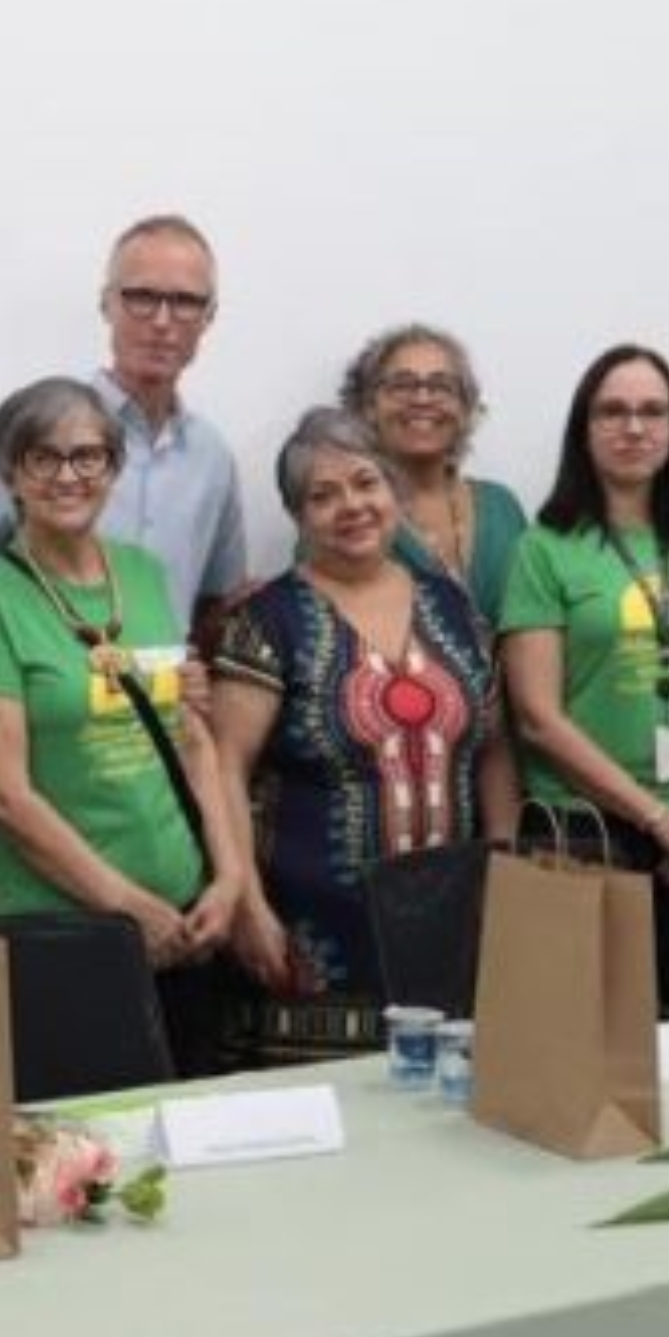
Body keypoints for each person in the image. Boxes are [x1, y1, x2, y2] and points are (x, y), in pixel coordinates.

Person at [0, 376, 243, 1074]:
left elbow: (191, 737)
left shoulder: (144, 575)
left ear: (113, 468)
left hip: (188, 920)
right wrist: (124, 906)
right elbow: (1, 793)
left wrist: (229, 876)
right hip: (68, 933)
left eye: (88, 457)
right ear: (8, 474)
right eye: (43, 458)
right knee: (91, 1155)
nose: (68, 476)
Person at [212, 407, 515, 1013]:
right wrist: (247, 902)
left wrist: (504, 867)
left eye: (366, 483)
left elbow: (495, 747)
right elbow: (225, 769)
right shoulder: (268, 620)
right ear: (299, 516)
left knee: (444, 1098)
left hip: (454, 916)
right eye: (323, 495)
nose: (351, 506)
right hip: (313, 928)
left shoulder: (451, 605)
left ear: (393, 492)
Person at [500, 343, 669, 871]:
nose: (634, 428)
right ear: (584, 430)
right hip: (590, 831)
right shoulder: (543, 548)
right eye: (613, 411)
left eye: (653, 412)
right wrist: (658, 819)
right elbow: (537, 719)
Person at [0, 213, 246, 639]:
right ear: (107, 304)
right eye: (141, 296)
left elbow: (217, 603)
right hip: (44, 692)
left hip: (157, 698)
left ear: (209, 316)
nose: (161, 320)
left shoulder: (212, 459)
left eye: (185, 301)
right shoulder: (36, 426)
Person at [338, 323, 527, 626]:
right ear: (368, 406)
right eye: (402, 385)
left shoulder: (502, 508)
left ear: (465, 408)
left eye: (441, 387)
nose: (422, 399)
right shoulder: (343, 512)